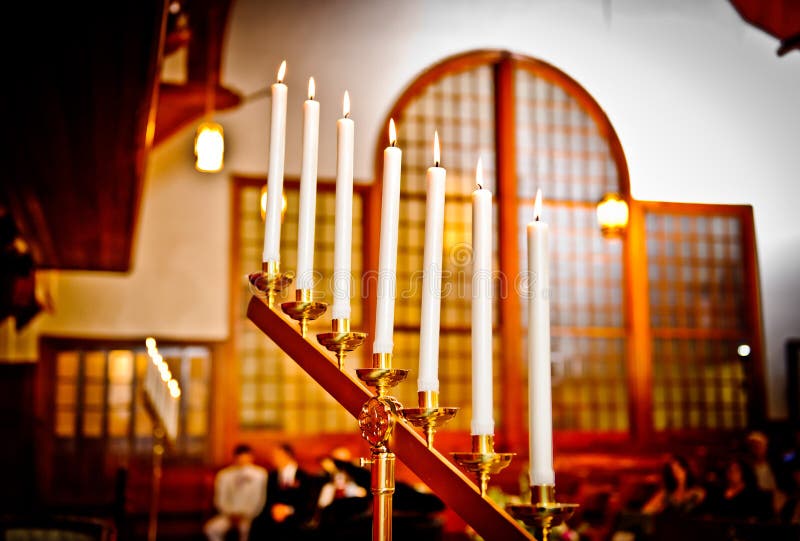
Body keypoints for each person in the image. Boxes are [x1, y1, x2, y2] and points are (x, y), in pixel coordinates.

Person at [249, 443, 319, 541]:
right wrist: (274, 510)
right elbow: (268, 500)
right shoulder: (272, 476)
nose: (273, 459)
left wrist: (287, 510)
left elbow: (308, 503)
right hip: (273, 515)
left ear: (287, 455)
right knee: (257, 524)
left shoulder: (304, 477)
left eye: (277, 455)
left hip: (296, 516)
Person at [204, 443, 268, 541]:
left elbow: (260, 499)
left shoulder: (260, 475)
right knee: (211, 529)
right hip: (229, 515)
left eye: (246, 458)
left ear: (251, 457)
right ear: (235, 458)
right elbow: (220, 498)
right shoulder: (224, 475)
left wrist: (246, 515)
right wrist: (230, 514)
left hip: (250, 516)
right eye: (240, 457)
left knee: (246, 529)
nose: (243, 460)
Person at [702, 457, 771, 522]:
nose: (732, 472)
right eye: (729, 469)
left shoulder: (753, 494)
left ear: (744, 472)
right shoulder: (717, 493)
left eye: (736, 470)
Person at [641, 454, 706, 516]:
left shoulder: (698, 492)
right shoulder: (665, 494)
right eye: (673, 470)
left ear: (686, 469)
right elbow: (645, 512)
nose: (677, 472)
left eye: (679, 467)